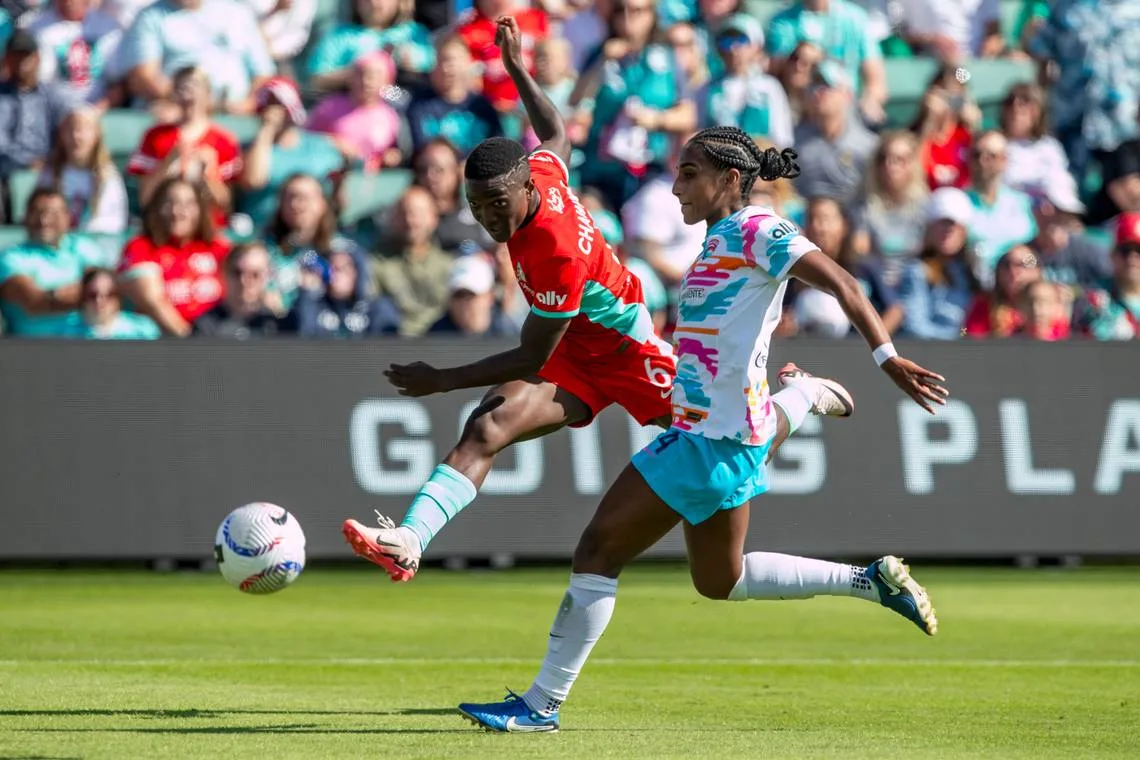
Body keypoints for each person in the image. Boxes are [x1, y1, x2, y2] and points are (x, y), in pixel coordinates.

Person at [456, 127, 947, 733]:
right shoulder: (720, 239)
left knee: (598, 550)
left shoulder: (757, 228)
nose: (675, 186)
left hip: (706, 443)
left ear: (729, 180)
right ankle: (868, 579)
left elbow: (842, 283)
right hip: (720, 433)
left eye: (689, 174)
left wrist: (886, 358)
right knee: (721, 580)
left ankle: (540, 705)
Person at [341, 16, 679, 582]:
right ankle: (408, 539)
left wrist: (442, 379)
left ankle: (798, 396)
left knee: (733, 433)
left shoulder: (554, 249)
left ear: (523, 189)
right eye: (477, 207)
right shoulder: (538, 173)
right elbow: (555, 134)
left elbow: (529, 358)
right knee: (488, 428)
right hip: (576, 350)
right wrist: (517, 67)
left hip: (629, 353)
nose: (488, 216)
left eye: (497, 203)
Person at [37, 105, 128, 234]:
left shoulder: (108, 176)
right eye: (70, 129)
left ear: (97, 135)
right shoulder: (50, 173)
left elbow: (115, 221)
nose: (76, 137)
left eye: (84, 130)